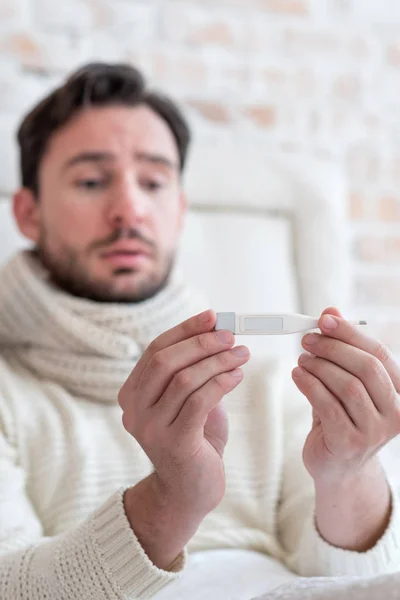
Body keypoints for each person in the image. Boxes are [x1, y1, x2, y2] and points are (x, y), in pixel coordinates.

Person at [0, 62, 399, 600]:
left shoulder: (270, 381)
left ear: (181, 210)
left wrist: (349, 471)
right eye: (91, 181)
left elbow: (351, 584)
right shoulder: (9, 392)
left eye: (155, 182)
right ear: (28, 213)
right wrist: (172, 498)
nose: (129, 210)